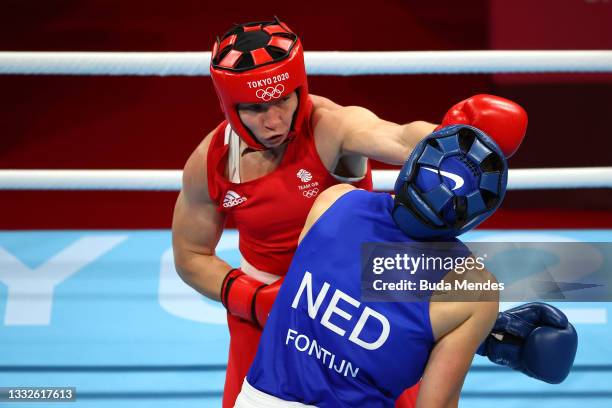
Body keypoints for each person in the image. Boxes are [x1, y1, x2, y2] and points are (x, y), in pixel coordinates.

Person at [171, 18, 570, 408]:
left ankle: (466, 332)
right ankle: (479, 333)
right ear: (230, 105)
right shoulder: (211, 162)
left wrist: (461, 142)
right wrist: (254, 299)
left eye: (282, 99)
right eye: (257, 108)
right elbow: (190, 256)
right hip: (263, 313)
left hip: (372, 291)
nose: (274, 120)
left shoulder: (332, 128)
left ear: (300, 88)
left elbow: (400, 138)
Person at [234, 125, 578, 407]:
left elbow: (348, 280)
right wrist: (480, 328)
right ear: (475, 216)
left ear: (411, 165)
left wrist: (479, 330)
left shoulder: (333, 201)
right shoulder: (474, 291)